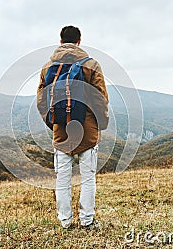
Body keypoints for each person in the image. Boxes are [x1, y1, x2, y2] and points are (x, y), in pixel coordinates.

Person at [37, 26, 109, 229]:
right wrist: (100, 124)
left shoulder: (48, 67)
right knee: (87, 179)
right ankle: (87, 221)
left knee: (62, 180)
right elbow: (100, 98)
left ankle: (65, 221)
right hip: (87, 130)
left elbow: (41, 101)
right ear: (79, 41)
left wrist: (53, 122)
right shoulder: (91, 64)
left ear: (60, 41)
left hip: (62, 131)